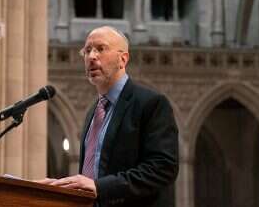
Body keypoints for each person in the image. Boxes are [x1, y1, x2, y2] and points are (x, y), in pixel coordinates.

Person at [38, 26, 179, 207]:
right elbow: (93, 176)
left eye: (100, 49)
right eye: (87, 51)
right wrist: (61, 187)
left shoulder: (151, 104)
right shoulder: (94, 113)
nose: (91, 56)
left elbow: (163, 168)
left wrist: (101, 188)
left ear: (123, 59)